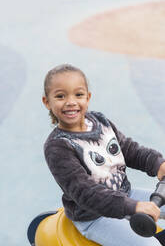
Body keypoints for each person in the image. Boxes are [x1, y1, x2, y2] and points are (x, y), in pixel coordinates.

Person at [42, 63, 165, 246]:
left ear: (88, 97)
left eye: (78, 94)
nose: (71, 102)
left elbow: (129, 149)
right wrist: (134, 207)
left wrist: (157, 164)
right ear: (47, 102)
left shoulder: (100, 121)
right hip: (94, 216)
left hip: (125, 194)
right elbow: (85, 193)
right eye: (60, 96)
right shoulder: (58, 147)